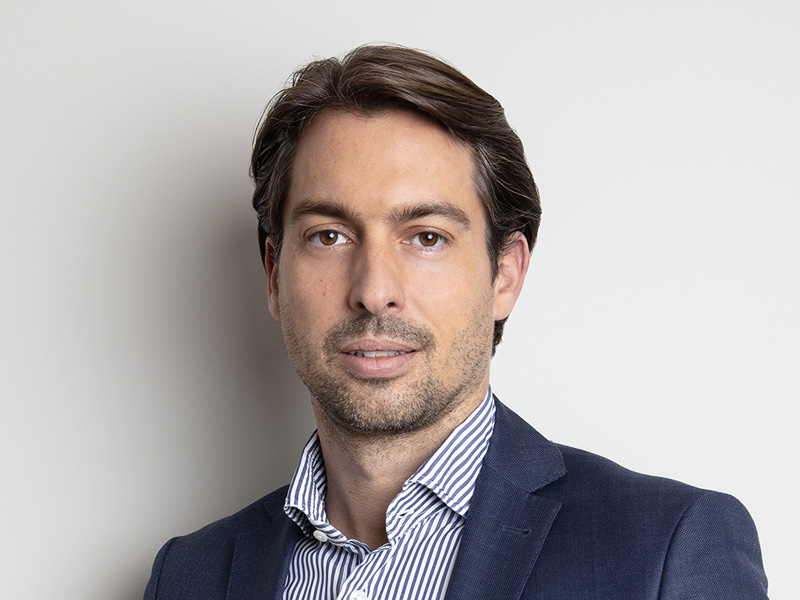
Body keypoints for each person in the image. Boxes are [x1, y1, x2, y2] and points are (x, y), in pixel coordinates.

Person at [144, 44, 768, 599]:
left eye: (427, 237)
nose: (374, 292)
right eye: (329, 235)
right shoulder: (188, 576)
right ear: (275, 275)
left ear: (505, 275)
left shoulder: (667, 550)